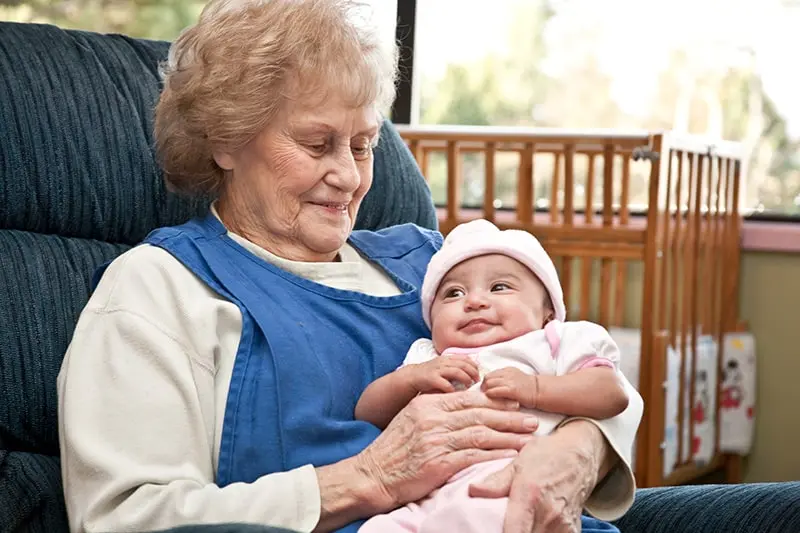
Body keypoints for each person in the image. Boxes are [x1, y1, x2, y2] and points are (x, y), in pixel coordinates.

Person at [56, 1, 643, 533]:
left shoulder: (437, 265)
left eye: (363, 145)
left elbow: (583, 362)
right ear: (225, 141)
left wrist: (579, 449)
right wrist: (370, 478)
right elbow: (124, 518)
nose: (350, 176)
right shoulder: (161, 289)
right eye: (317, 144)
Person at [356, 220, 629, 533]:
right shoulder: (428, 356)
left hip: (509, 484)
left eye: (499, 287)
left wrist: (537, 388)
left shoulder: (555, 340)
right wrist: (408, 380)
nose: (473, 301)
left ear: (547, 313)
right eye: (453, 293)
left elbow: (611, 393)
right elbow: (367, 412)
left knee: (476, 520)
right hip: (427, 496)